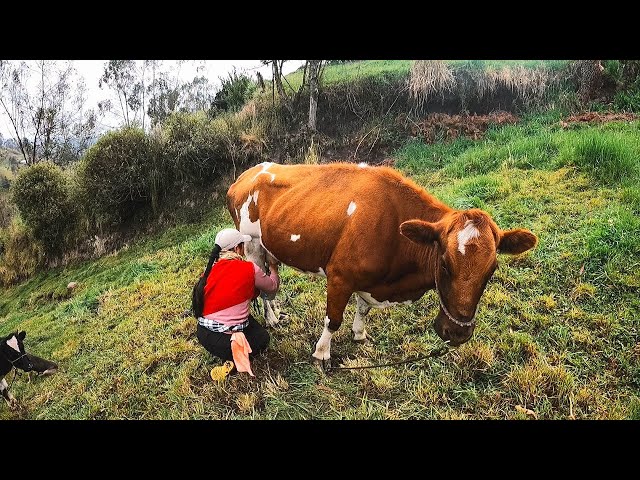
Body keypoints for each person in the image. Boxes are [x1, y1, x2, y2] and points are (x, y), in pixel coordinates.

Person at [196, 228, 280, 378]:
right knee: (263, 340)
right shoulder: (248, 268)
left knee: (250, 324)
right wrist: (273, 268)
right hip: (221, 339)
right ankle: (233, 357)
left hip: (204, 333)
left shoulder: (210, 269)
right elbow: (272, 286)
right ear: (237, 248)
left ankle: (228, 349)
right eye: (242, 245)